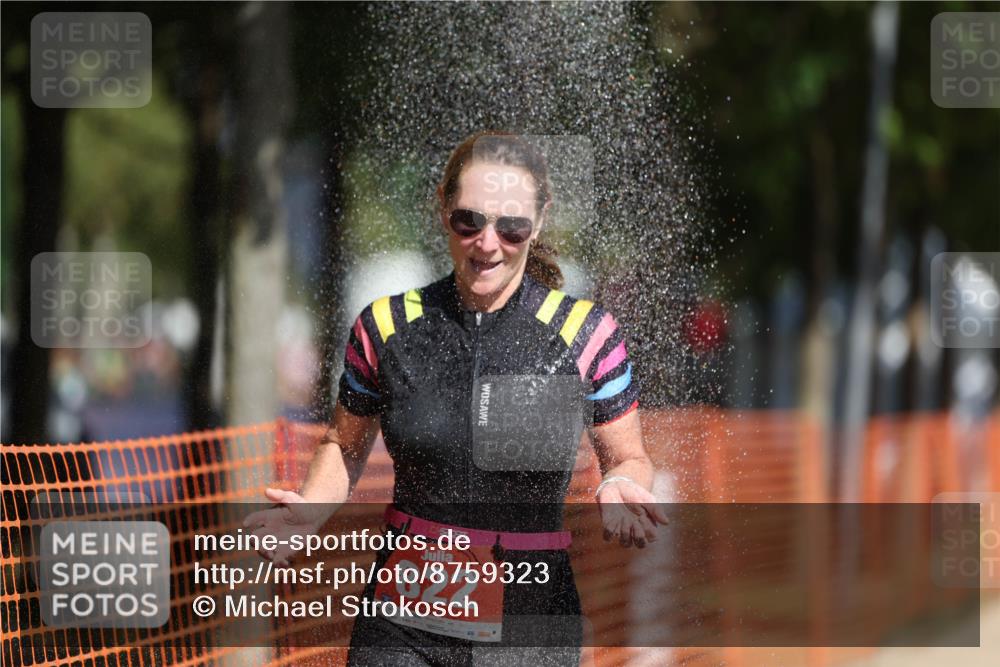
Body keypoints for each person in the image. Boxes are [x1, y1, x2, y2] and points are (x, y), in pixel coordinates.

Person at [245, 131, 668, 665]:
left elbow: (628, 456)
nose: (488, 243)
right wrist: (311, 511)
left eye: (511, 227)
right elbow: (344, 447)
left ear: (538, 223)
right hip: (401, 618)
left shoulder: (586, 334)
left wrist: (624, 482)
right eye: (470, 220)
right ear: (443, 210)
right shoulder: (384, 326)